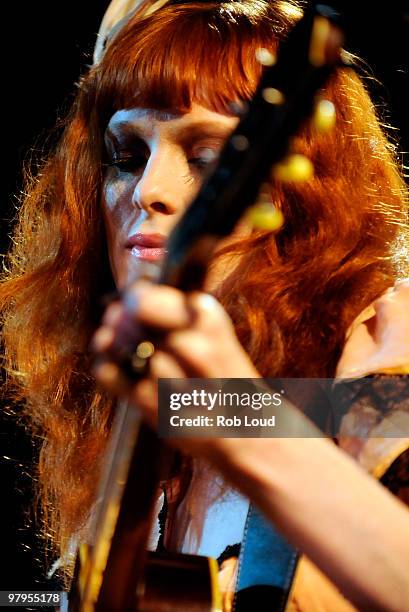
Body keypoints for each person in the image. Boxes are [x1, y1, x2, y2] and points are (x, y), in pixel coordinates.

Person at [1, 0, 409, 609]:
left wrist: (236, 420)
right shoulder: (122, 413)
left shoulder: (382, 350)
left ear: (301, 192)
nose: (149, 190)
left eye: (206, 158)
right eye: (127, 158)